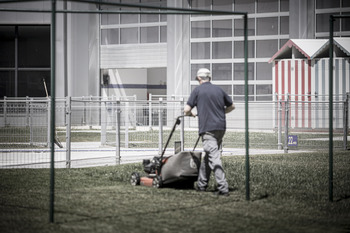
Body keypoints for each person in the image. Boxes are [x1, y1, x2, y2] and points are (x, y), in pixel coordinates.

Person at [184, 68, 235, 196]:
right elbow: (232, 106)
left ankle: (223, 188)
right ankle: (202, 185)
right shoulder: (219, 90)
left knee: (214, 158)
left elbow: (186, 110)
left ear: (199, 79)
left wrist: (192, 114)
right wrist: (220, 113)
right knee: (208, 157)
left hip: (208, 129)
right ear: (210, 78)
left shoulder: (197, 91)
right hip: (220, 128)